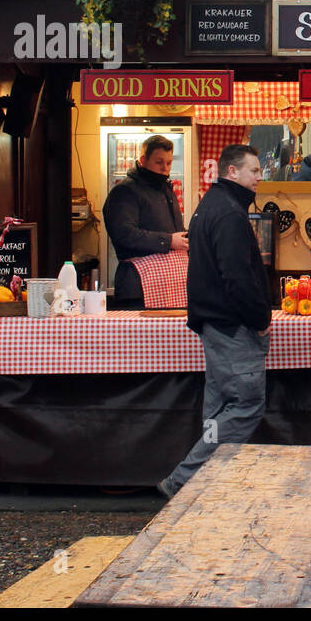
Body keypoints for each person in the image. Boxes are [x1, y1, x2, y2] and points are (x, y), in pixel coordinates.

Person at [158, 144, 270, 498]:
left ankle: (209, 488)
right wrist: (259, 319)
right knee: (246, 405)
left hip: (214, 326)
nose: (259, 178)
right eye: (254, 171)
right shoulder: (230, 214)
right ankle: (184, 481)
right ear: (232, 172)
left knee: (219, 408)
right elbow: (236, 277)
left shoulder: (210, 206)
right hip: (233, 327)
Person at [103, 135, 187, 306]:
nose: (165, 168)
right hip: (138, 285)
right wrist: (169, 240)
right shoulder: (124, 191)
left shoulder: (167, 190)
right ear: (143, 160)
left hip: (171, 283)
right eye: (159, 162)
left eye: (169, 163)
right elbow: (124, 234)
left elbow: (174, 231)